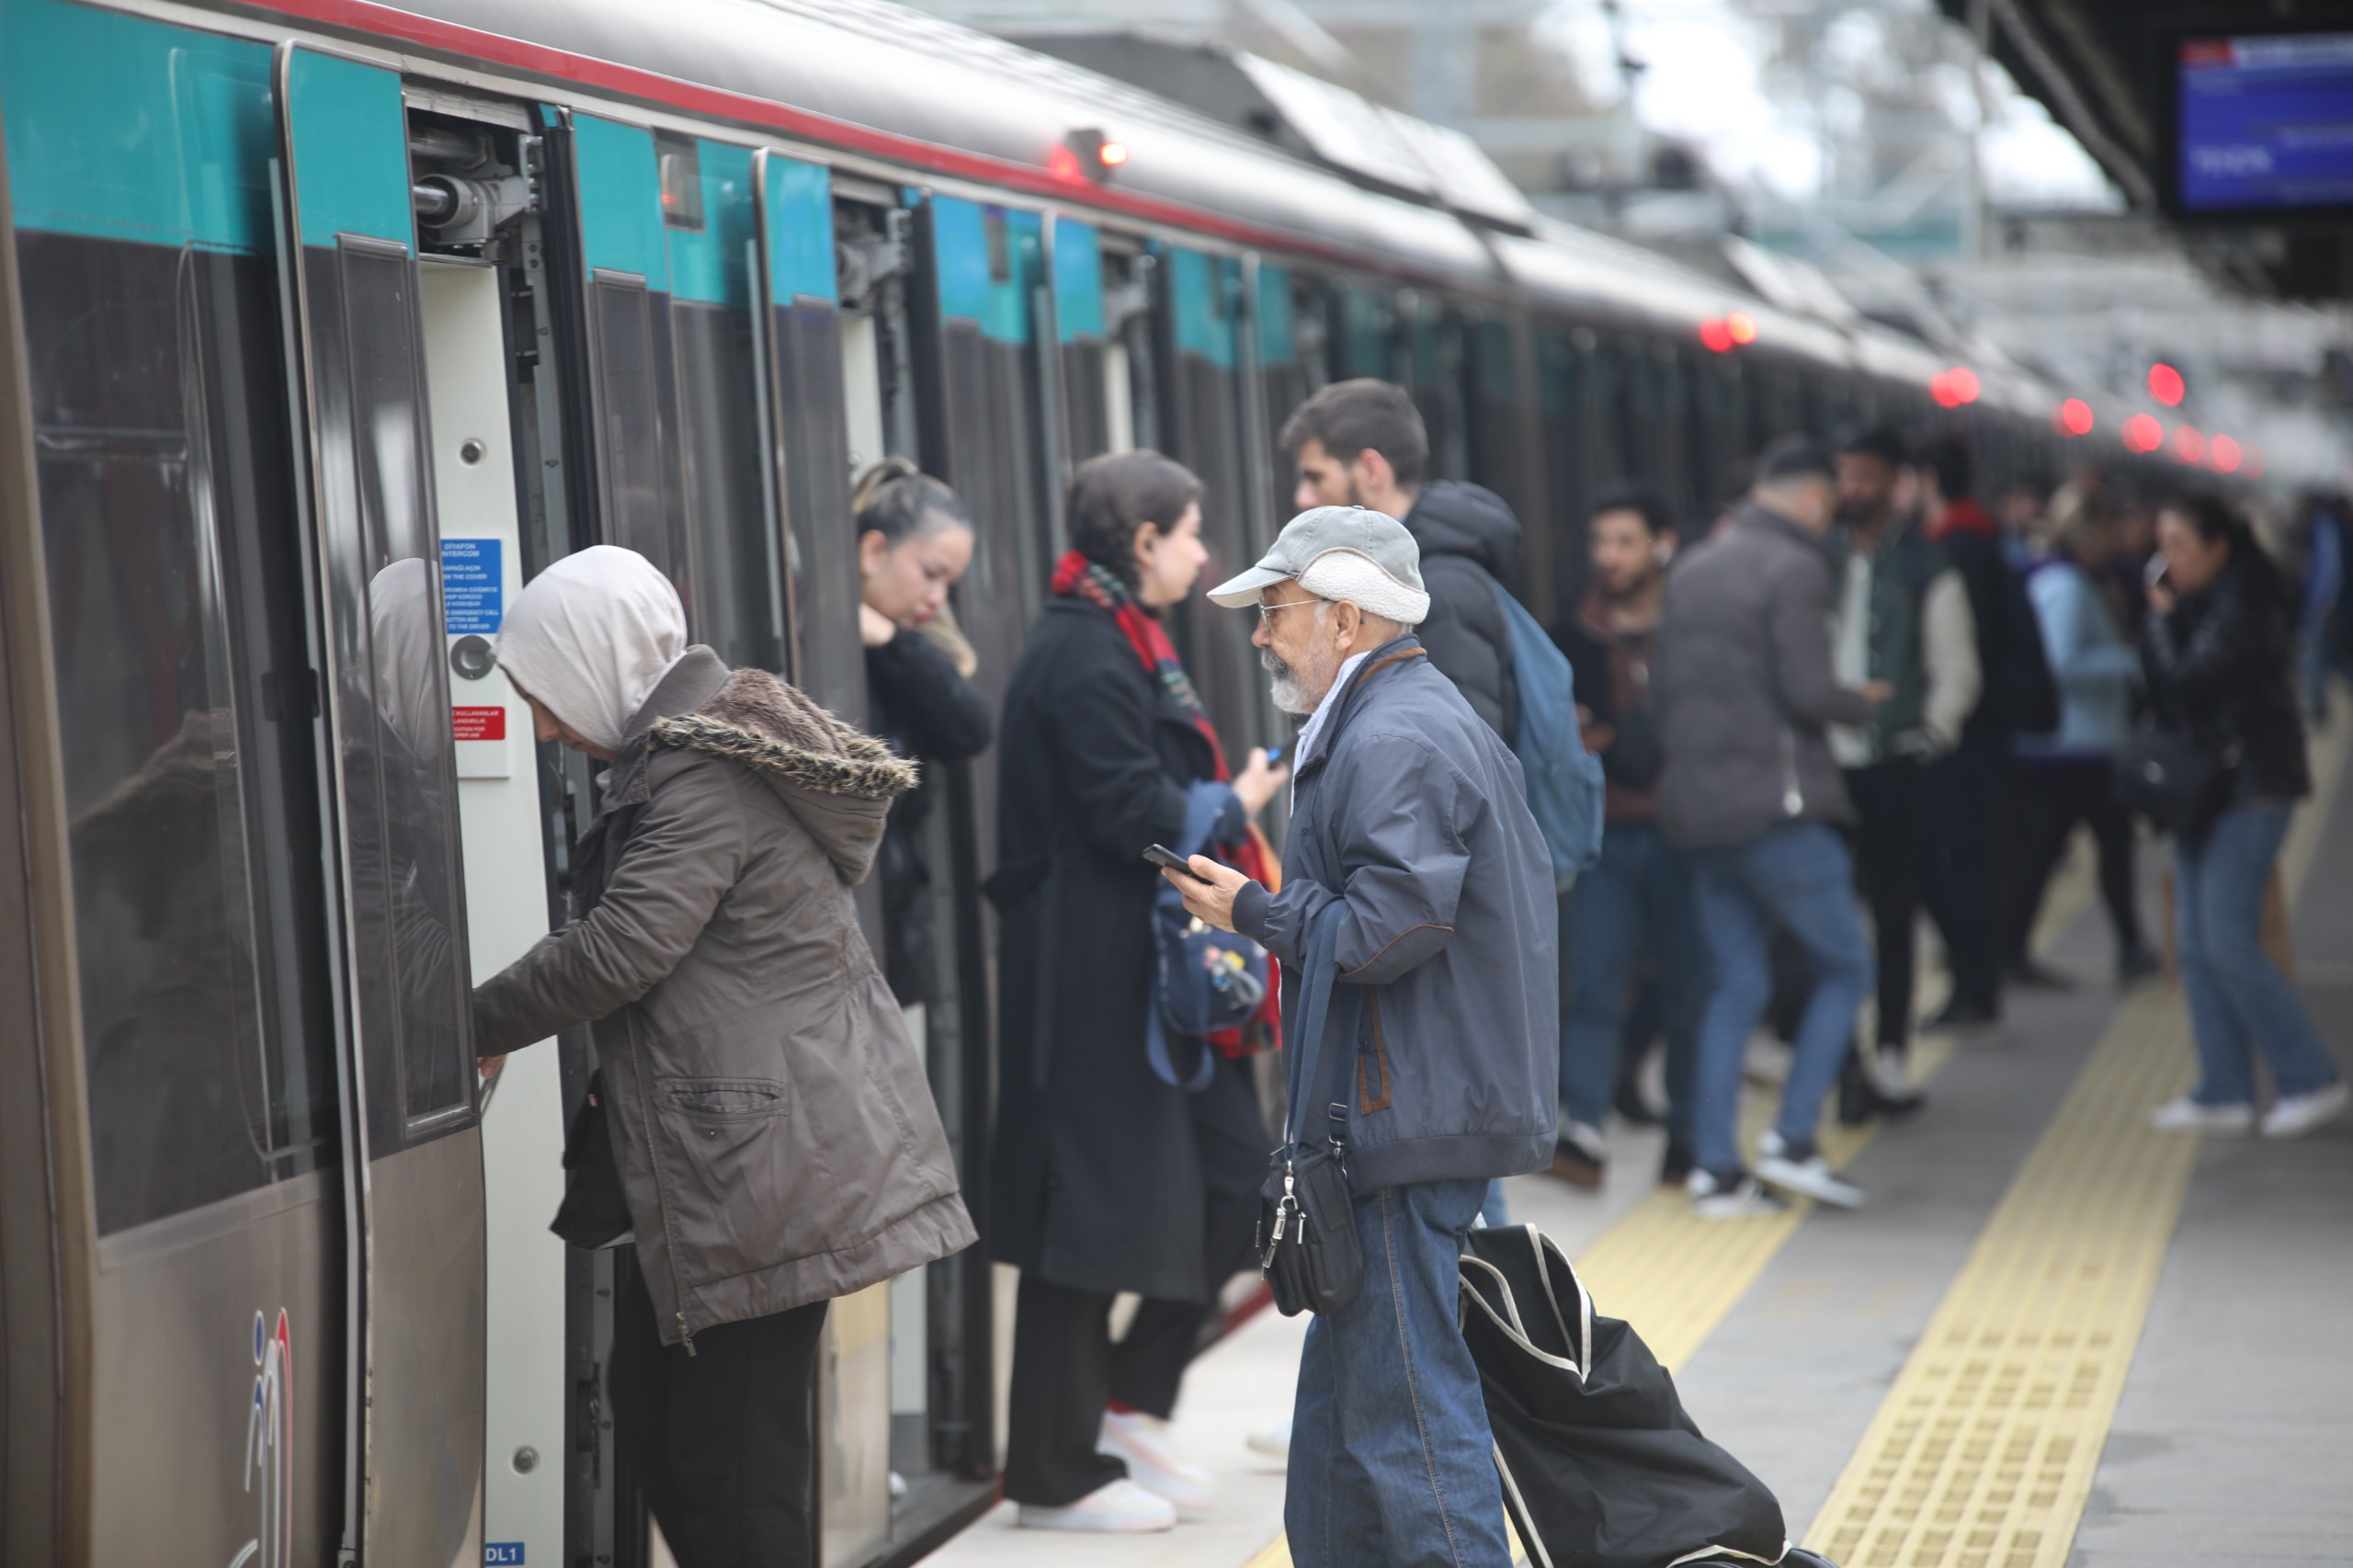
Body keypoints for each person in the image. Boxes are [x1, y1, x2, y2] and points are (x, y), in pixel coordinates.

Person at [470, 546, 977, 1567]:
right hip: (749, 1154)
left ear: (592, 661)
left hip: (767, 1164)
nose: (545, 726)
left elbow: (626, 944)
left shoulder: (699, 776)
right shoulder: (684, 761)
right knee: (668, 1428)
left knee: (734, 1472)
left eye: (546, 694)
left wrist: (466, 1027)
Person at [1165, 504, 1556, 1568]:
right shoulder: (1398, 718)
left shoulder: (1394, 734)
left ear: (1343, 616)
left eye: (1275, 610)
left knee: (1410, 1429)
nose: (1260, 635)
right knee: (1344, 1435)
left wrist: (1253, 909)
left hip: (1401, 1116)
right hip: (1397, 1109)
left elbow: (1393, 928)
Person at [988, 451, 1288, 1533]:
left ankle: (1122, 1401)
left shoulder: (1123, 637)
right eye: (1193, 531)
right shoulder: (1083, 652)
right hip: (1092, 975)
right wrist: (1232, 799)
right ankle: (1053, 1471)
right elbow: (1127, 815)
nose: (1206, 552)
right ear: (1143, 540)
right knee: (1087, 1211)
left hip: (1144, 971)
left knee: (1243, 1180)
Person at [1654, 438, 1886, 1216]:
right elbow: (1810, 690)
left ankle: (1716, 1170)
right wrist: (1866, 699)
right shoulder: (1795, 570)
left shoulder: (1691, 566)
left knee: (1736, 984)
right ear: (1815, 502)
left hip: (1699, 814)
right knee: (1848, 965)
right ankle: (1793, 1138)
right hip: (1777, 810)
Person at [2141, 494, 2348, 1140]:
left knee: (2229, 941)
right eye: (2162, 544)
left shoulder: (2245, 603)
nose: (2165, 560)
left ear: (2218, 548)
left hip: (2249, 789)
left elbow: (2186, 682)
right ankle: (2223, 1089)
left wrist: (2160, 622)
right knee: (2200, 946)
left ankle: (2309, 1076)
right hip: (2208, 790)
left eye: (2178, 545)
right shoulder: (2215, 599)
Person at [1551, 482, 1704, 1186]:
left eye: (1625, 541)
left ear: (1662, 546)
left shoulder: (1698, 625)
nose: (1608, 557)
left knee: (1689, 985)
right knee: (1595, 981)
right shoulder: (1572, 635)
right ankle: (1582, 1132)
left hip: (1687, 830)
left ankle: (1690, 1135)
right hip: (1607, 831)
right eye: (1599, 542)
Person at [1829, 428, 1979, 1119]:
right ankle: (1841, 1062)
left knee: (1893, 912)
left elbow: (1955, 664)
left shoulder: (1926, 564)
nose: (1850, 489)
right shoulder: (1814, 555)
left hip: (1893, 763)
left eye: (1864, 476)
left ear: (1894, 483)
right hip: (1822, 765)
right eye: (1843, 475)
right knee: (1827, 920)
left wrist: (1934, 731)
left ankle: (1890, 1052)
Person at [1280, 378, 1522, 739]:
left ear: (1371, 470)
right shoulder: (1405, 577)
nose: (1302, 497)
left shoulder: (1441, 590)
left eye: (1316, 477)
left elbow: (1461, 761)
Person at [1915, 435, 2051, 1030]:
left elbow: (1964, 651)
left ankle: (1975, 988)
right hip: (1984, 732)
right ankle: (1977, 984)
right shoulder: (1982, 537)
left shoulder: (1957, 549)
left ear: (1923, 480)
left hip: (1965, 736)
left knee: (1960, 863)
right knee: (1966, 860)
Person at [852, 460, 992, 1014]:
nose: (937, 597)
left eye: (949, 584)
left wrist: (888, 638)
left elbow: (968, 727)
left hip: (889, 919)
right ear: (872, 552)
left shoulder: (902, 644)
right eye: (931, 573)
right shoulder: (814, 641)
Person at [2005, 494, 2157, 988]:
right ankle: (2128, 946)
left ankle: (2013, 949)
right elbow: (2062, 662)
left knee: (2049, 850)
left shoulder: (2053, 576)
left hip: (2067, 744)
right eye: (2109, 532)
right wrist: (2128, 660)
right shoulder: (2068, 587)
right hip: (2077, 743)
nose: (2115, 542)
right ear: (2089, 535)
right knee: (2103, 846)